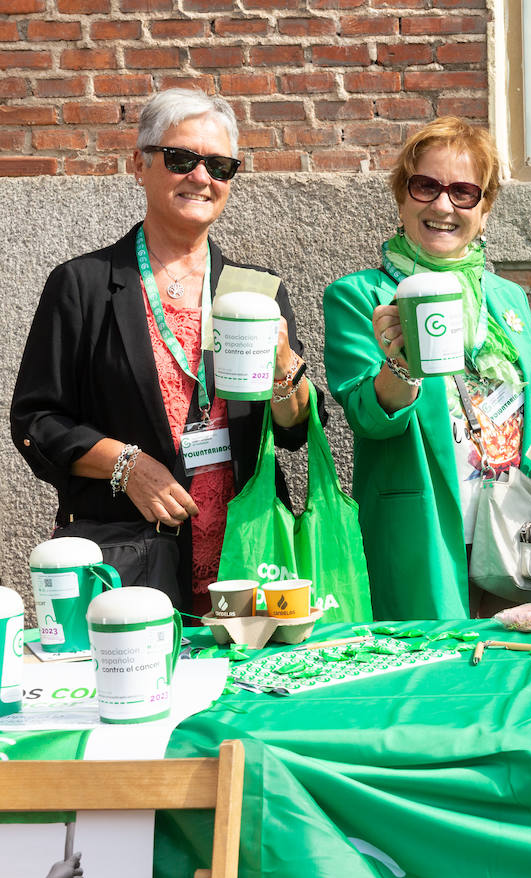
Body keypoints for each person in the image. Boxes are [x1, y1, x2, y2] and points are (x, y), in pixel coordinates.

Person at [11, 88, 314, 616]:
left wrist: (286, 369)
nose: (202, 177)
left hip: (250, 556)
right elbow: (36, 420)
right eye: (182, 159)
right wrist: (126, 465)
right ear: (141, 164)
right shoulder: (83, 284)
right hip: (133, 553)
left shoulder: (255, 288)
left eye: (220, 166)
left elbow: (293, 431)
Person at [323, 117, 531, 620]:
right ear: (402, 197)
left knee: (517, 671)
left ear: (484, 211)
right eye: (426, 186)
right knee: (435, 683)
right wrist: (401, 364)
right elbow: (368, 419)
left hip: (515, 530)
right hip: (424, 530)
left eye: (464, 192)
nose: (443, 205)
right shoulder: (361, 296)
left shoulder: (507, 299)